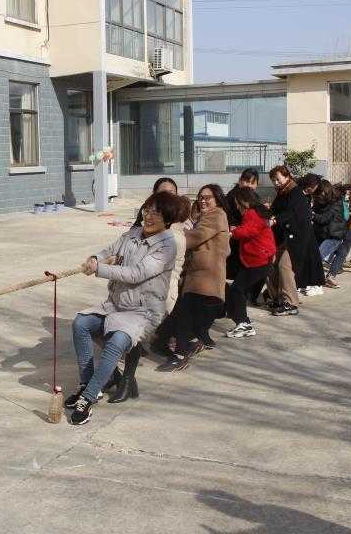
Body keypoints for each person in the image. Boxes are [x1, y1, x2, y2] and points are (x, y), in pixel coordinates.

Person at [65, 191, 179, 424]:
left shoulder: (167, 246)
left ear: (167, 219)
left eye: (156, 213)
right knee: (81, 323)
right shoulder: (133, 233)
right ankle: (89, 385)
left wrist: (99, 270)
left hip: (143, 313)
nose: (149, 216)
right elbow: (110, 250)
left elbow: (136, 273)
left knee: (117, 341)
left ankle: (87, 399)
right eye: (147, 210)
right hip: (115, 305)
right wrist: (95, 258)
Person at [114, 177, 190, 403]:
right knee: (127, 335)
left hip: (159, 292)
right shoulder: (144, 226)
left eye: (171, 194)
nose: (167, 199)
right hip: (136, 290)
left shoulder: (174, 232)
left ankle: (124, 380)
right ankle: (124, 380)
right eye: (161, 195)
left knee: (128, 335)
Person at [154, 184, 230, 371]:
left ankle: (180, 355)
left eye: (208, 197)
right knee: (181, 314)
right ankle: (184, 342)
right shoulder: (210, 215)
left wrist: (167, 235)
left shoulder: (216, 214)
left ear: (217, 199)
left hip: (204, 277)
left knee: (184, 316)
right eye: (201, 197)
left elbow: (195, 237)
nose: (203, 200)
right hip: (201, 275)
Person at [265, 166, 319, 316]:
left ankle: (291, 302)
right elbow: (275, 210)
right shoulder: (282, 193)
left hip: (296, 237)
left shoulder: (295, 192)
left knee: (284, 266)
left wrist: (275, 219)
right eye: (273, 180)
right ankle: (277, 298)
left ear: (287, 176)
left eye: (278, 179)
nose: (275, 182)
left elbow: (291, 212)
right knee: (270, 265)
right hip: (282, 236)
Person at [225, 187, 276, 338]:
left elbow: (249, 231)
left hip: (258, 260)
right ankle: (241, 319)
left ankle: (243, 324)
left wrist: (232, 232)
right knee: (239, 289)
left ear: (244, 202)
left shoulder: (251, 213)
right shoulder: (258, 212)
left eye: (238, 204)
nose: (237, 207)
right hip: (261, 259)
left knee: (236, 289)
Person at [312, 180, 348, 264]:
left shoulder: (337, 202)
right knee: (314, 256)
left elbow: (325, 218)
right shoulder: (319, 200)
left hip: (333, 235)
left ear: (328, 191)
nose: (321, 194)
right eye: (319, 192)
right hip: (321, 233)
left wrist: (313, 215)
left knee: (318, 257)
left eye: (323, 192)